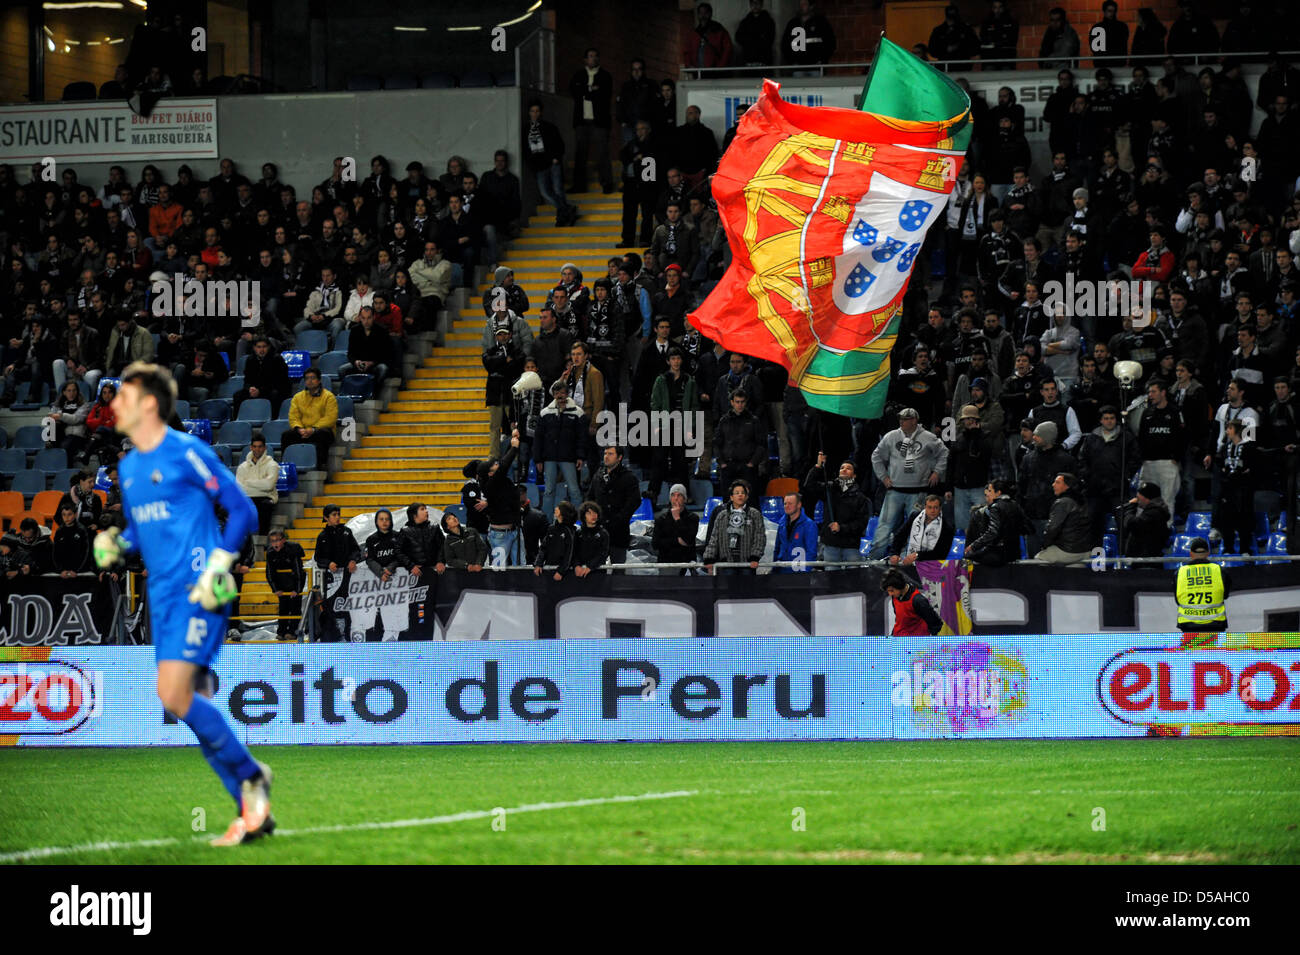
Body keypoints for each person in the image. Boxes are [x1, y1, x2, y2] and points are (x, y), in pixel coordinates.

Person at [89, 362, 271, 847]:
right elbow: (140, 530)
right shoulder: (128, 468)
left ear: (149, 404)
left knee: (173, 694)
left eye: (123, 397)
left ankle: (253, 779)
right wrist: (116, 543)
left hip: (201, 588)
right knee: (188, 702)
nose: (114, 404)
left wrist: (217, 568)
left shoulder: (187, 451)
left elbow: (244, 511)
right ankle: (252, 807)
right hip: (163, 597)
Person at [868, 408, 948, 560]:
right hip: (894, 490)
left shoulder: (928, 437)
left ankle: (909, 561)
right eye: (901, 419)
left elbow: (944, 452)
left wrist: (937, 471)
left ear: (914, 420)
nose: (901, 421)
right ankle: (873, 561)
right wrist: (883, 477)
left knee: (916, 530)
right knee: (884, 528)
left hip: (919, 493)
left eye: (905, 419)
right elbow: (876, 456)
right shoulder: (891, 436)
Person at [803, 452, 872, 568]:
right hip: (831, 544)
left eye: (848, 468)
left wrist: (841, 528)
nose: (844, 470)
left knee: (853, 581)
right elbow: (809, 486)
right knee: (831, 580)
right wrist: (818, 467)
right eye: (842, 468)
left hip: (851, 546)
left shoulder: (861, 498)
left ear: (854, 475)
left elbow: (861, 523)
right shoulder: (830, 489)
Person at [589, 445, 641, 567]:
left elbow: (634, 501)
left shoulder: (629, 477)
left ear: (619, 457)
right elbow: (590, 498)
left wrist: (620, 518)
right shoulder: (598, 475)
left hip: (618, 533)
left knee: (619, 571)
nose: (606, 456)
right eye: (605, 453)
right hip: (599, 532)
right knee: (596, 570)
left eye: (610, 454)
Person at [702, 478, 765, 575]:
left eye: (743, 493)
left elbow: (759, 537)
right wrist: (709, 557)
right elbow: (714, 538)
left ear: (747, 496)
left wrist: (755, 557)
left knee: (747, 590)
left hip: (747, 564)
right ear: (731, 497)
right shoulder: (721, 515)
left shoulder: (755, 514)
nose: (740, 495)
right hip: (726, 564)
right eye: (737, 493)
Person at [1175, 536, 1229, 642]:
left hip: (1188, 625)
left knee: (1191, 657)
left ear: (1190, 554)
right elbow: (1225, 595)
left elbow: (1178, 600)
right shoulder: (1219, 570)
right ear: (1208, 553)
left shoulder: (1180, 572)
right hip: (1215, 624)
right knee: (1214, 657)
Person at [965, 479, 1029, 566]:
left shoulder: (995, 507)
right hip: (1014, 554)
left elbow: (993, 532)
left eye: (990, 491)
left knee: (968, 556)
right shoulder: (1015, 504)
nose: (987, 493)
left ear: (998, 493)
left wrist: (973, 546)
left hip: (998, 555)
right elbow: (1029, 528)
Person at [1035, 472, 1094, 563]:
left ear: (1067, 486)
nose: (1053, 485)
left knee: (1038, 559)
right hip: (1086, 551)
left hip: (1068, 550)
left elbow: (1052, 528)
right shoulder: (1084, 502)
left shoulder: (1063, 502)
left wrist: (1044, 545)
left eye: (1057, 482)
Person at [890, 493, 955, 566]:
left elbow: (940, 554)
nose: (932, 511)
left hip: (931, 565)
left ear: (940, 508)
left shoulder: (947, 528)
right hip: (907, 557)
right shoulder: (915, 516)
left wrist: (918, 555)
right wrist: (894, 553)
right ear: (925, 507)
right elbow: (900, 536)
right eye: (929, 507)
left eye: (935, 507)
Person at [263, 529, 305, 639]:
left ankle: (292, 632)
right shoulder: (270, 552)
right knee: (283, 608)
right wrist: (275, 589)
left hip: (295, 582)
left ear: (284, 540)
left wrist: (297, 589)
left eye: (277, 540)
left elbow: (299, 572)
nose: (275, 543)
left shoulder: (293, 549)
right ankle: (281, 632)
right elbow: (269, 573)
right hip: (282, 584)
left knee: (295, 608)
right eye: (272, 541)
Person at [235, 433, 278, 536]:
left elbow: (269, 486)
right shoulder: (242, 467)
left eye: (260, 447)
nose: (257, 449)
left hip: (266, 498)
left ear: (264, 448)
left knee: (265, 506)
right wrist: (261, 484)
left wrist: (248, 482)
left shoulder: (272, 465)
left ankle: (262, 541)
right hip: (247, 498)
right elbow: (239, 488)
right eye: (254, 446)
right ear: (251, 447)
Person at [652, 484, 700, 573]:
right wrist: (677, 541)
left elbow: (688, 540)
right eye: (673, 495)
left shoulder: (693, 518)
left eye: (679, 495)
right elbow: (655, 544)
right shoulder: (661, 519)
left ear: (685, 499)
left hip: (686, 563)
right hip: (666, 562)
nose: (676, 498)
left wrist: (677, 518)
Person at [882, 569, 943, 636]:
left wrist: (929, 642)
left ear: (899, 586)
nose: (890, 594)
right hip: (897, 639)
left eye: (891, 590)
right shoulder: (895, 596)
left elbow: (936, 624)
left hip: (915, 643)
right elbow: (900, 621)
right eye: (888, 591)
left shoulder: (919, 600)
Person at [1119, 481, 1171, 557]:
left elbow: (1131, 524)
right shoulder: (1153, 511)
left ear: (1146, 498)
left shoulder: (1154, 512)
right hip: (1142, 559)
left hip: (1146, 562)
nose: (1136, 499)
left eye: (1138, 498)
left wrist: (1130, 508)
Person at [773, 492, 818, 573]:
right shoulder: (781, 523)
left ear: (799, 505)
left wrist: (804, 572)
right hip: (781, 571)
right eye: (785, 503)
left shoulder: (809, 525)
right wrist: (774, 569)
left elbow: (811, 553)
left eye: (790, 503)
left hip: (800, 573)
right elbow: (777, 548)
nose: (786, 506)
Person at [535, 501, 578, 580]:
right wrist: (538, 563)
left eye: (558, 507)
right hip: (549, 570)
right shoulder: (551, 528)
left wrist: (561, 571)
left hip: (564, 574)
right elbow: (543, 548)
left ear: (563, 512)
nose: (555, 508)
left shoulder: (570, 531)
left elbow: (570, 553)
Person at [574, 501, 611, 576]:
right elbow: (574, 552)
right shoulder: (578, 533)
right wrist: (576, 565)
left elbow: (603, 553)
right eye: (589, 513)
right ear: (583, 516)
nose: (593, 515)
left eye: (595, 513)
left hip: (598, 573)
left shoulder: (603, 533)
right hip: (580, 573)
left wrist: (590, 567)